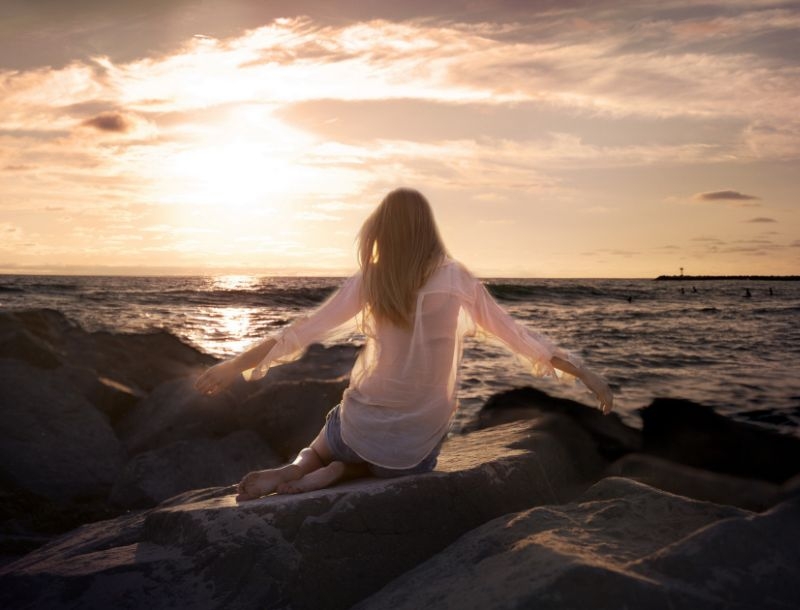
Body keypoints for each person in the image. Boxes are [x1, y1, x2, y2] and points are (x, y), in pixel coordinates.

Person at [195, 188, 614, 501]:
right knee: (389, 452)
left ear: (382, 229)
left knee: (327, 437)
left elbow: (303, 330)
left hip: (358, 426)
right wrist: (586, 373)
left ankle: (309, 467)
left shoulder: (371, 279)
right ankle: (339, 473)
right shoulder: (456, 279)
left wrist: (234, 365)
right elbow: (519, 337)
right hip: (413, 448)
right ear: (427, 230)